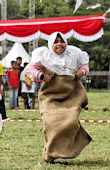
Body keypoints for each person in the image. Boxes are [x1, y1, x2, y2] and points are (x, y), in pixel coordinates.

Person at [25, 32, 91, 163]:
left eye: (62, 41)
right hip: (51, 94)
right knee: (50, 123)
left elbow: (85, 66)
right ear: (51, 44)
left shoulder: (74, 54)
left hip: (71, 94)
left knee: (70, 122)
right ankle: (50, 153)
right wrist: (42, 76)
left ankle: (64, 150)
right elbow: (29, 69)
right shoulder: (43, 55)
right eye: (56, 42)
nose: (59, 44)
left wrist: (81, 72)